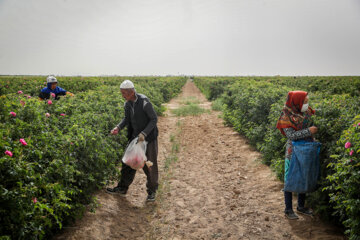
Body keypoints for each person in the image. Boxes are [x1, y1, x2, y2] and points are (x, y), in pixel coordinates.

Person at [106, 80, 159, 202]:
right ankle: (122, 188)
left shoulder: (144, 102)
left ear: (132, 92)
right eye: (122, 93)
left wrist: (144, 133)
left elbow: (153, 119)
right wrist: (118, 127)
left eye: (124, 93)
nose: (122, 96)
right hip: (135, 138)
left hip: (149, 138)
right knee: (128, 163)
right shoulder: (127, 104)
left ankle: (151, 191)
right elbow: (126, 119)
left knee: (149, 164)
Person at [276, 91, 318, 220]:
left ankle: (301, 206)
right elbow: (291, 135)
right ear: (297, 102)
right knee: (290, 178)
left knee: (303, 176)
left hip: (305, 149)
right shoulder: (286, 116)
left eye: (307, 102)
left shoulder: (304, 113)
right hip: (293, 152)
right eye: (304, 102)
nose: (307, 104)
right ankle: (288, 209)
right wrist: (308, 131)